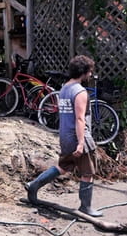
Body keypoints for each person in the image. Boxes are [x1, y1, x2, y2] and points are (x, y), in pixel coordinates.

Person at [25, 55, 103, 217]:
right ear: (84, 72)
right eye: (90, 71)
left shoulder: (65, 88)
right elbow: (80, 119)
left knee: (63, 166)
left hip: (65, 135)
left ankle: (34, 185)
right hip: (78, 136)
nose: (90, 74)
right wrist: (81, 143)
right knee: (87, 173)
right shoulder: (80, 92)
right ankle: (85, 207)